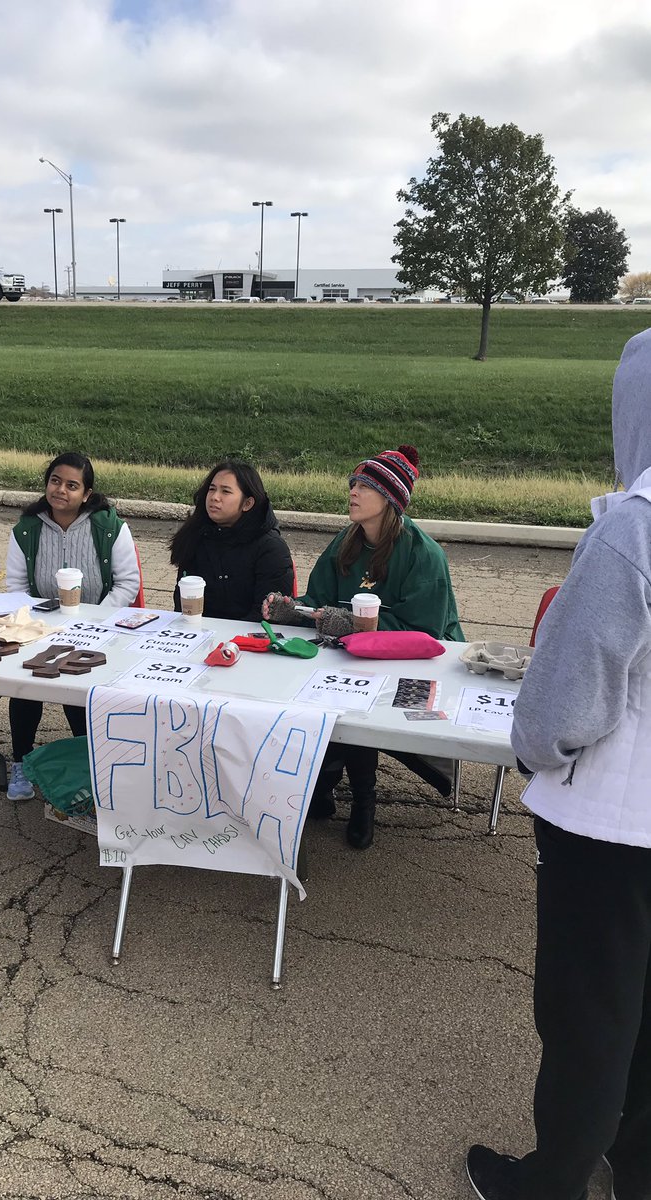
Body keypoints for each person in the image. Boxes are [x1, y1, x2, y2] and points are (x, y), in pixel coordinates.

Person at [465, 332, 651, 1200]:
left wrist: (536, 751)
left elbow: (561, 707)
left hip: (613, 819)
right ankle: (637, 1158)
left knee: (588, 1014)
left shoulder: (632, 529)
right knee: (644, 1006)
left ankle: (552, 1183)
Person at [262, 446, 463, 849]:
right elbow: (320, 600)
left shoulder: (424, 554)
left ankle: (362, 800)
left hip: (419, 664)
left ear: (390, 498)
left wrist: (348, 624)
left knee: (356, 704)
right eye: (353, 483)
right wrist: (290, 610)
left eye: (365, 486)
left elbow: (425, 634)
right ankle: (323, 781)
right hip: (350, 654)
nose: (353, 491)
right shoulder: (346, 540)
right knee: (317, 692)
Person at [4, 451, 140, 800]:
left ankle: (89, 766)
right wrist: (41, 620)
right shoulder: (26, 529)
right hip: (40, 627)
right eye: (54, 481)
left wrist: (95, 619)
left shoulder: (110, 527)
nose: (60, 490)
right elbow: (16, 586)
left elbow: (128, 582)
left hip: (97, 628)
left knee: (79, 694)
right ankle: (20, 763)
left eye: (71, 485)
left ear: (87, 494)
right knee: (25, 688)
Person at [169, 460, 294, 621]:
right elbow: (183, 598)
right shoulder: (196, 535)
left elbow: (268, 615)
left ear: (247, 503)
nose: (214, 497)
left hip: (248, 638)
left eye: (225, 492)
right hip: (198, 632)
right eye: (211, 489)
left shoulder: (271, 547)